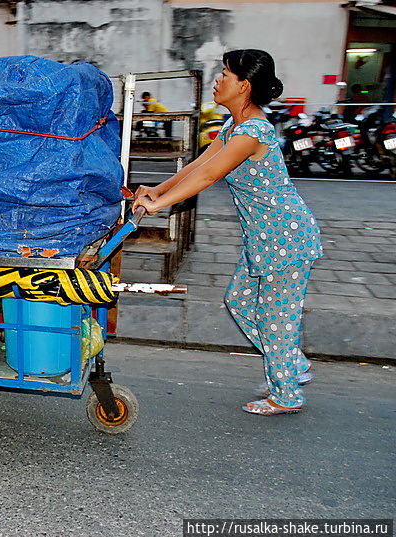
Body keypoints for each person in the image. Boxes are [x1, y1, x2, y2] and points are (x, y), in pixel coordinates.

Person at [132, 49, 323, 416]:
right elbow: (199, 164)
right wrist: (157, 190)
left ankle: (287, 393)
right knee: (239, 301)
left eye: (225, 74)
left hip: (287, 236)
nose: (218, 80)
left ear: (244, 85)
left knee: (274, 318)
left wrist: (160, 205)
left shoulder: (255, 131)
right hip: (264, 238)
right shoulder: (233, 126)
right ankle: (292, 365)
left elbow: (209, 176)